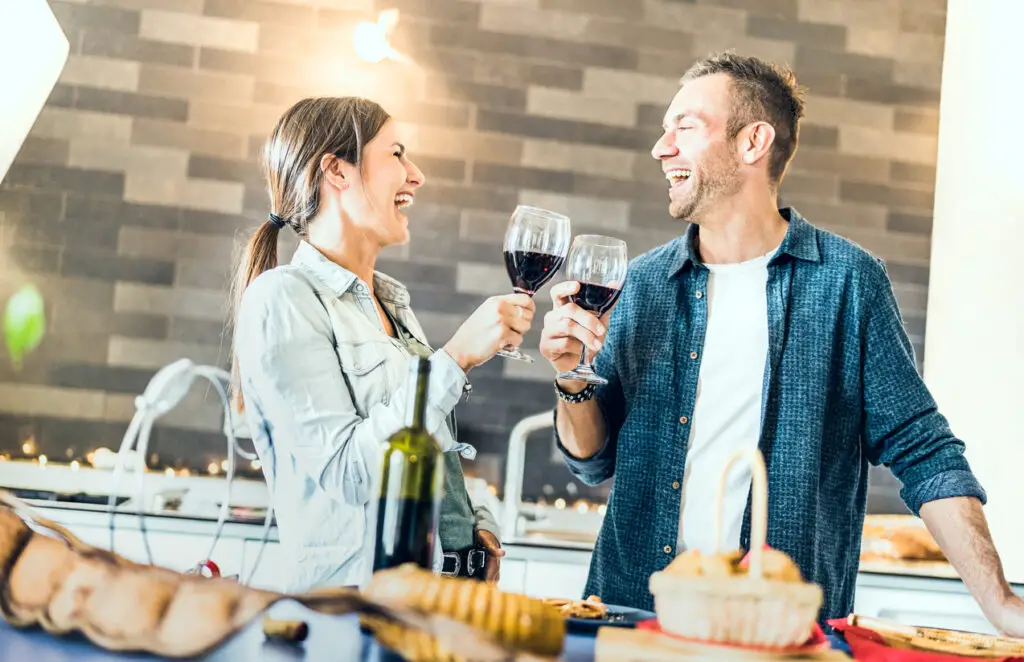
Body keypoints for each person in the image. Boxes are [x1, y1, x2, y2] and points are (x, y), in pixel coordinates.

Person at [539, 51, 1024, 634]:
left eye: (684, 128)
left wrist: (1000, 604)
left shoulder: (848, 281)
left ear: (752, 143)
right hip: (631, 620)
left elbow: (925, 452)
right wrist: (572, 377)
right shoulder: (641, 284)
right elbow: (593, 461)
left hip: (778, 636)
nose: (660, 147)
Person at [230, 97, 534, 592]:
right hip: (353, 609)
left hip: (437, 599)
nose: (415, 175)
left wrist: (470, 521)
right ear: (336, 172)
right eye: (396, 154)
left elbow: (417, 447)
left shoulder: (389, 303)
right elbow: (348, 472)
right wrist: (455, 359)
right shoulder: (284, 298)